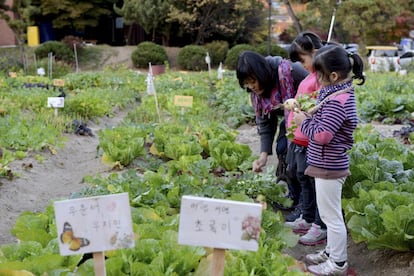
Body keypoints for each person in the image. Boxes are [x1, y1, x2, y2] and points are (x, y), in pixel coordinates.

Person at [293, 44, 365, 275]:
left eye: (319, 75)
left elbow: (323, 136)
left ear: (333, 76)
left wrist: (301, 122)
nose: (316, 79)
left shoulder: (337, 101)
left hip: (329, 166)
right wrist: (307, 115)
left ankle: (338, 263)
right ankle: (331, 252)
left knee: (332, 218)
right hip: (327, 164)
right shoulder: (337, 94)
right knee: (328, 215)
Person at [236, 50, 308, 209]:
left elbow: (316, 87)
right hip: (290, 121)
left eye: (252, 81)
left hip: (308, 118)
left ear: (261, 73)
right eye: (246, 83)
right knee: (283, 148)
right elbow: (266, 122)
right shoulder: (257, 94)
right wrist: (263, 157)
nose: (251, 86)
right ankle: (294, 196)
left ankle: (307, 203)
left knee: (297, 158)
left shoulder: (291, 72)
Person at [284, 31, 328, 246]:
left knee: (313, 181)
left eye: (303, 60)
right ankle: (308, 218)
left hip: (311, 140)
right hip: (299, 140)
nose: (301, 66)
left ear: (316, 53)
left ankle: (320, 225)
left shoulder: (322, 78)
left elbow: (321, 107)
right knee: (303, 178)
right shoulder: (309, 77)